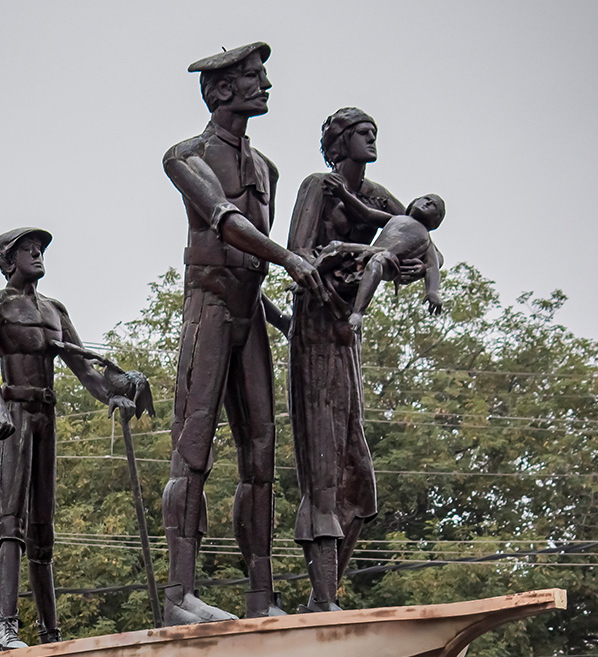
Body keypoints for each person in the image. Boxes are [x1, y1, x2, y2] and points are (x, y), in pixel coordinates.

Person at [161, 41, 327, 625]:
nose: (267, 86)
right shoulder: (185, 155)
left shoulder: (267, 169)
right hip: (208, 306)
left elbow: (271, 249)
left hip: (251, 309)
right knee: (194, 449)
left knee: (261, 452)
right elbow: (226, 223)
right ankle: (179, 594)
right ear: (220, 89)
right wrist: (289, 259)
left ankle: (262, 595)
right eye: (256, 77)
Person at [0, 227, 150, 650]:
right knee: (10, 522)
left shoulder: (55, 311)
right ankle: (6, 628)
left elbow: (85, 368)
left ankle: (51, 634)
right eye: (27, 249)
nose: (37, 253)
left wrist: (116, 395)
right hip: (14, 414)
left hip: (46, 416)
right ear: (7, 260)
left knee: (43, 529)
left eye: (41, 248)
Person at [287, 108, 432, 612]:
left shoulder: (375, 197)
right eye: (363, 134)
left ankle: (319, 598)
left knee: (360, 482)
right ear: (340, 141)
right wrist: (347, 268)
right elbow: (297, 252)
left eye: (375, 133)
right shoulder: (318, 186)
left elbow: (419, 236)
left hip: (348, 330)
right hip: (317, 325)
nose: (372, 141)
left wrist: (405, 269)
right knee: (323, 463)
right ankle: (323, 599)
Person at [314, 192, 445, 335]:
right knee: (336, 246)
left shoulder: (427, 241)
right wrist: (343, 192)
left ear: (436, 220)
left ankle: (358, 313)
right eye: (426, 199)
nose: (427, 203)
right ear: (414, 202)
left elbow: (432, 267)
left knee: (379, 259)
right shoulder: (395, 219)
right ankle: (310, 274)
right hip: (371, 251)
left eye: (434, 206)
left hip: (390, 262)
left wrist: (432, 291)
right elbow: (367, 213)